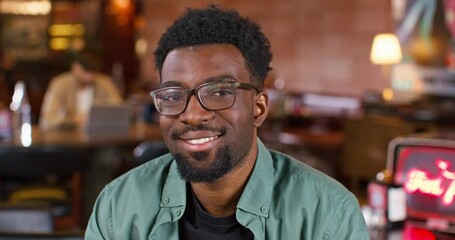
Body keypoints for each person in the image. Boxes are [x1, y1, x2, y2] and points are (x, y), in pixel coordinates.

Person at [86, 5, 369, 239]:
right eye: (173, 95)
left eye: (220, 92)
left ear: (258, 109)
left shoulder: (329, 215)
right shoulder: (118, 207)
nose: (192, 114)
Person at [39, 51, 122, 130]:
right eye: (86, 70)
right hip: (68, 138)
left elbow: (118, 111)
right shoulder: (60, 84)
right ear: (75, 67)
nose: (90, 76)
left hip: (100, 137)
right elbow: (47, 120)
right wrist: (72, 119)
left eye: (93, 71)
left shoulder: (105, 83)